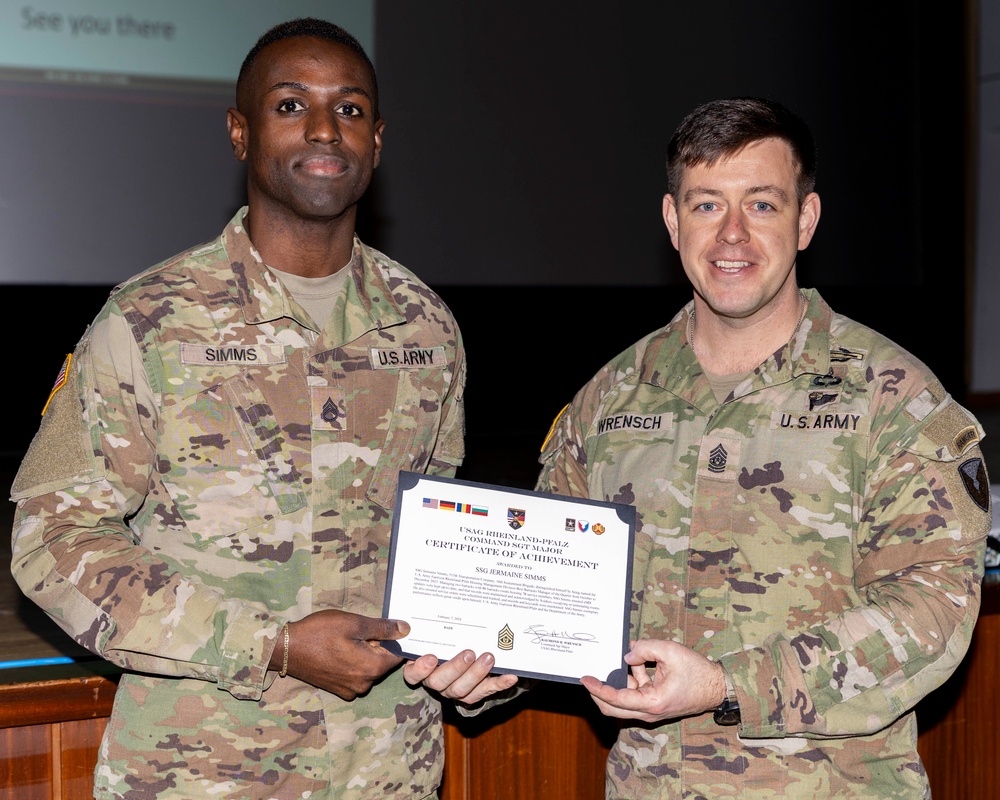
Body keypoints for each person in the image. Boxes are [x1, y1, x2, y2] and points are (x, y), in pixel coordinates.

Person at [10, 17, 513, 800]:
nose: (323, 128)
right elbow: (51, 543)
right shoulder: (149, 321)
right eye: (289, 105)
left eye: (349, 109)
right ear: (240, 133)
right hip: (197, 773)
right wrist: (270, 644)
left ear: (377, 141)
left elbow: (442, 543)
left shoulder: (427, 327)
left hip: (386, 773)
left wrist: (487, 652)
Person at [536, 97, 991, 798]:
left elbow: (930, 615)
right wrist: (486, 663)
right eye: (708, 205)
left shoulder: (893, 398)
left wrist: (725, 686)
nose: (733, 237)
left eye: (763, 206)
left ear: (806, 220)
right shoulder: (611, 398)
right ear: (672, 220)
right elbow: (547, 591)